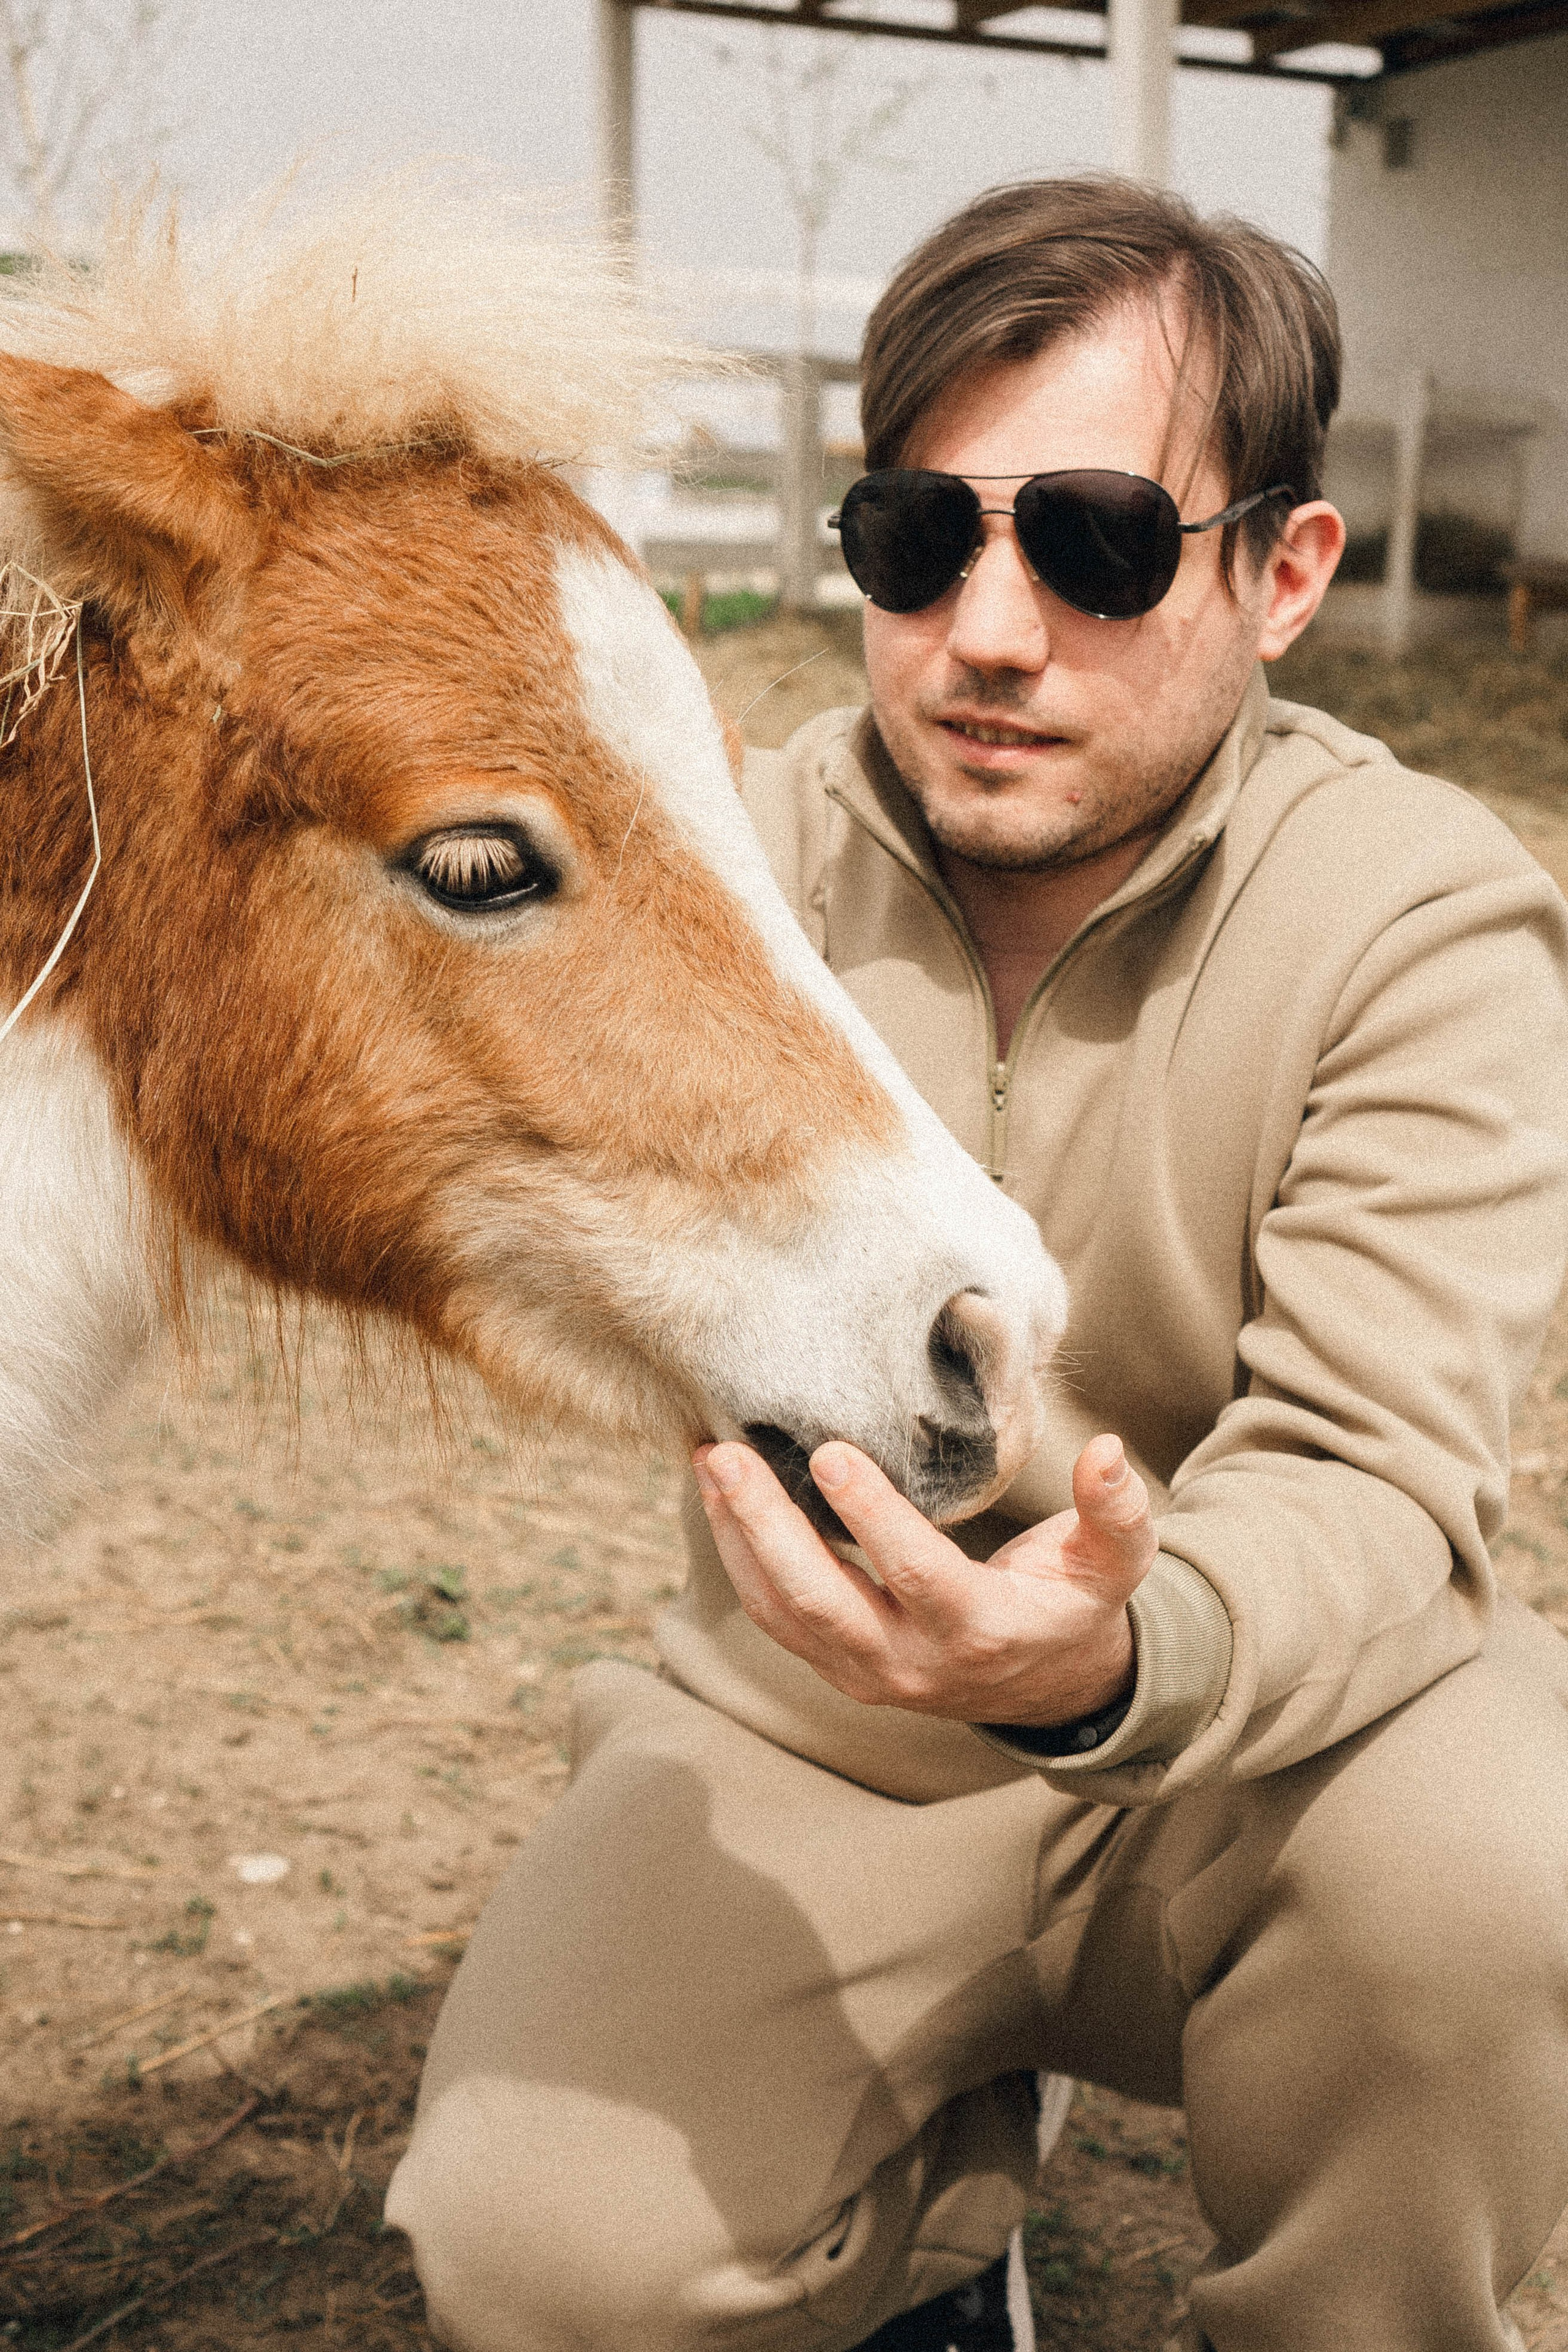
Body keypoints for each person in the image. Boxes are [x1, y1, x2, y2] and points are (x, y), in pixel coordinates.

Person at [386, 178, 1568, 2352]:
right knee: (534, 2263)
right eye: (922, 540)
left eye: (1100, 541)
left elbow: (1377, 1471)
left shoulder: (1428, 917)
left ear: (1287, 571)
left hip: (1271, 1746)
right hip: (809, 1742)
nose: (991, 631)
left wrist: (1115, 1660)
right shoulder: (711, 861)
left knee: (1511, 1867)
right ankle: (930, 2248)